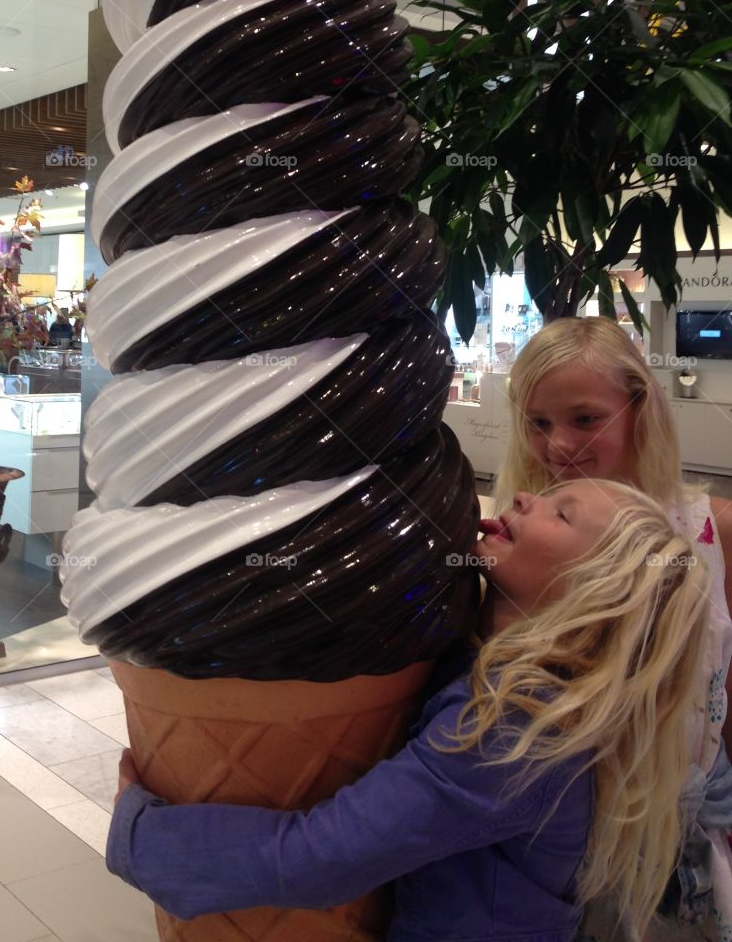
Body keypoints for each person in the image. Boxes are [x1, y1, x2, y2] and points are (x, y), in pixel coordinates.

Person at [107, 479, 711, 941]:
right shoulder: (488, 668)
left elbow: (322, 858)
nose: (526, 494)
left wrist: (140, 833)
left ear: (595, 591)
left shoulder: (516, 733)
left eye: (561, 512)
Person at [494, 316, 732, 939]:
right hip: (548, 835)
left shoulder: (713, 531)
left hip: (678, 836)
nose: (559, 446)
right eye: (539, 423)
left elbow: (722, 689)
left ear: (638, 407)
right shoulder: (516, 532)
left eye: (583, 418)